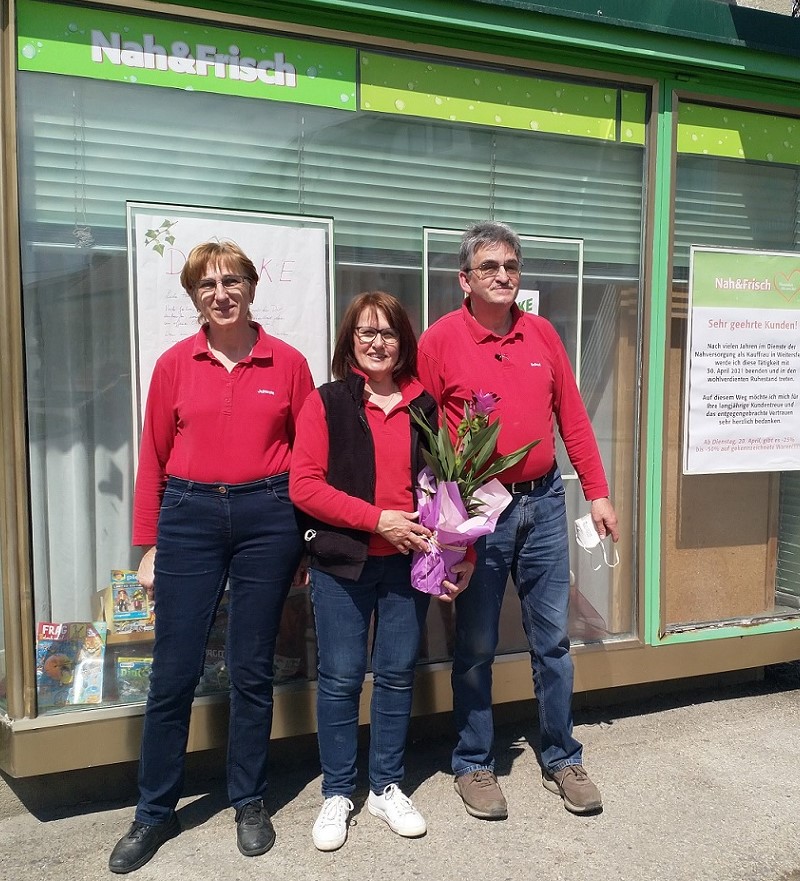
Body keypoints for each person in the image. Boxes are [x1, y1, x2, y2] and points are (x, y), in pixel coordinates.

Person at [109, 241, 314, 874]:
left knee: (252, 669)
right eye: (206, 285)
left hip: (267, 517)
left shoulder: (289, 363)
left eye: (231, 281)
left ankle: (249, 799)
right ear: (194, 296)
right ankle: (153, 809)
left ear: (252, 288)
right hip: (190, 518)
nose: (220, 293)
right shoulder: (175, 363)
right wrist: (146, 545)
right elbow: (155, 459)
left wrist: (305, 538)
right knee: (173, 671)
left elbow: (307, 461)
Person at [417, 221, 619, 819]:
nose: (503, 276)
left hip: (545, 502)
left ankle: (562, 755)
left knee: (552, 640)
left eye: (510, 266)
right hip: (478, 508)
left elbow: (573, 419)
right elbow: (422, 434)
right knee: (476, 643)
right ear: (465, 280)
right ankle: (474, 763)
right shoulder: (439, 341)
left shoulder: (543, 335)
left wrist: (599, 493)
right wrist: (435, 516)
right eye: (489, 268)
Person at [290, 291, 474, 852]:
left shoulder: (425, 406)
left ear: (403, 343)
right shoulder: (327, 403)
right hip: (342, 565)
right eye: (365, 333)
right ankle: (338, 791)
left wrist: (459, 552)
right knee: (342, 679)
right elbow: (305, 486)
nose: (377, 343)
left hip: (407, 566)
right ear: (349, 342)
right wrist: (379, 522)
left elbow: (450, 485)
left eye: (387, 333)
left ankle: (387, 786)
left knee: (396, 677)